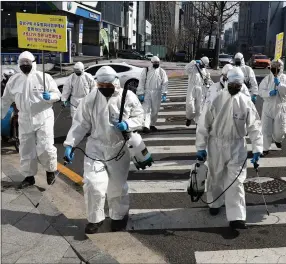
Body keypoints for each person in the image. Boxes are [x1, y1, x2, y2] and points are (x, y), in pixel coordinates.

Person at [63, 66, 144, 234]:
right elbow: (80, 123)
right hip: (96, 148)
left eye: (108, 86)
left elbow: (140, 117)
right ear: (97, 84)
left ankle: (118, 216)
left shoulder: (127, 97)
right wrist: (70, 144)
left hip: (119, 149)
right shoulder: (91, 98)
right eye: (101, 86)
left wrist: (128, 124)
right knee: (93, 184)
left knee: (116, 187)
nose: (105, 89)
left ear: (115, 82)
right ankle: (95, 219)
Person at [195, 67, 263, 229]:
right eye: (232, 83)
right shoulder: (216, 99)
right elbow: (204, 123)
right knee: (215, 176)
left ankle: (237, 216)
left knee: (236, 181)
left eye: (237, 85)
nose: (234, 87)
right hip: (216, 144)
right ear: (226, 81)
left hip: (237, 145)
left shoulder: (245, 102)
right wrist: (200, 146)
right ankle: (215, 203)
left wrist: (257, 148)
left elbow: (255, 126)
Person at [1, 51, 61, 188]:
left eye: (27, 62)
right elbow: (5, 100)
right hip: (24, 118)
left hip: (43, 117)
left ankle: (50, 170)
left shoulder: (44, 77)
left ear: (33, 63)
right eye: (22, 63)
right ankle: (29, 177)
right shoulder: (14, 81)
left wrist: (50, 97)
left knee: (45, 147)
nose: (25, 65)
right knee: (26, 149)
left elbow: (57, 94)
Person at [258, 59, 286, 157]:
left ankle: (278, 140)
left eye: (277, 67)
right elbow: (261, 91)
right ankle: (265, 148)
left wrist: (279, 85)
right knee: (265, 129)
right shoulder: (267, 79)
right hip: (267, 107)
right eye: (273, 67)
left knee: (280, 130)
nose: (274, 69)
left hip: (280, 107)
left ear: (281, 68)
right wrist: (268, 93)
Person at [136, 56, 168, 133]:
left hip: (157, 93)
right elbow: (142, 82)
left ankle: (152, 125)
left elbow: (165, 83)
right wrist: (140, 93)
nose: (156, 64)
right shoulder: (146, 70)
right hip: (147, 92)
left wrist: (164, 93)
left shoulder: (161, 71)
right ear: (152, 62)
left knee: (155, 110)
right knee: (146, 109)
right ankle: (146, 126)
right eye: (155, 63)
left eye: (157, 63)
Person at [185, 56, 211, 126]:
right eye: (203, 64)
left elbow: (208, 79)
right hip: (192, 88)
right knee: (190, 105)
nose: (204, 66)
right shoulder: (193, 67)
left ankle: (198, 123)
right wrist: (192, 63)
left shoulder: (205, 70)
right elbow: (186, 70)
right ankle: (189, 118)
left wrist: (207, 82)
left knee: (199, 107)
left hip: (201, 89)